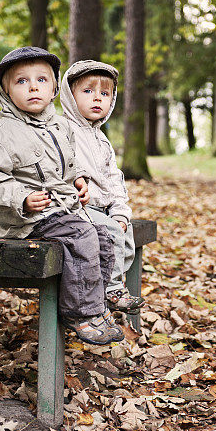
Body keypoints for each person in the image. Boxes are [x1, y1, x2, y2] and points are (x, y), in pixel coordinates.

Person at [0, 46, 123, 345]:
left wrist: (78, 182)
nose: (32, 87)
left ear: (55, 88)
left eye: (41, 80)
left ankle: (98, 305)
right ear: (4, 91)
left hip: (61, 209)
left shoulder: (59, 126)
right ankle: (81, 313)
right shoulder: (3, 133)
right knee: (82, 234)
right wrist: (22, 198)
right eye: (21, 81)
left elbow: (67, 165)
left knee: (103, 234)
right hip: (27, 220)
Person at [59, 60, 144, 316]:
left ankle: (111, 285)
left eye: (104, 94)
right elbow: (58, 167)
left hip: (104, 207)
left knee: (124, 234)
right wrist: (75, 181)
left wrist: (120, 212)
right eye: (88, 91)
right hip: (78, 208)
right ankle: (112, 290)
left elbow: (113, 180)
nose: (97, 98)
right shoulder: (62, 130)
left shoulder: (102, 140)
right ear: (70, 96)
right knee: (110, 234)